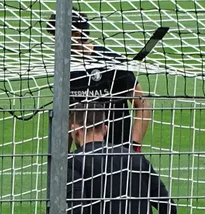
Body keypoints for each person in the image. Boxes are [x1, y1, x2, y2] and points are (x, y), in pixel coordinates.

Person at [48, 9, 152, 148]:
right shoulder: (64, 69)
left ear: (77, 35)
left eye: (58, 37)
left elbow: (142, 104)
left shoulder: (110, 62)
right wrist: (61, 158)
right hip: (85, 157)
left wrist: (134, 147)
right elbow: (69, 116)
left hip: (119, 152)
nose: (55, 43)